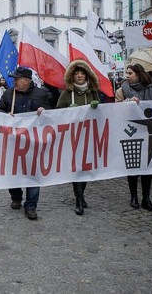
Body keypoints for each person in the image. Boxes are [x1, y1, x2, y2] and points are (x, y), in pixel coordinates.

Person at [0, 66, 52, 220]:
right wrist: (6, 114)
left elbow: (54, 112)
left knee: (33, 173)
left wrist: (44, 110)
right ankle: (16, 197)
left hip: (34, 142)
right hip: (13, 141)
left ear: (26, 81)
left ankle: (31, 205)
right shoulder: (9, 93)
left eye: (17, 78)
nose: (14, 81)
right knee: (12, 171)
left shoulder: (41, 94)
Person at [56, 60, 101, 216]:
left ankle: (82, 195)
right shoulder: (67, 93)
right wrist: (68, 111)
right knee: (76, 168)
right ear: (72, 77)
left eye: (82, 73)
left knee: (86, 168)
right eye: (76, 73)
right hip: (73, 137)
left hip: (88, 136)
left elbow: (101, 113)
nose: (80, 76)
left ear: (87, 75)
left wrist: (97, 107)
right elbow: (57, 113)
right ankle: (78, 199)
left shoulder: (92, 92)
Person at [115, 63, 152, 212]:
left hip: (147, 130)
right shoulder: (123, 90)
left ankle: (146, 198)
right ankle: (133, 196)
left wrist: (142, 105)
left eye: (130, 73)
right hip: (130, 131)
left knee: (147, 166)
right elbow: (116, 109)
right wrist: (127, 104)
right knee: (132, 164)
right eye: (127, 73)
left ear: (139, 74)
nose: (127, 76)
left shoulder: (151, 89)